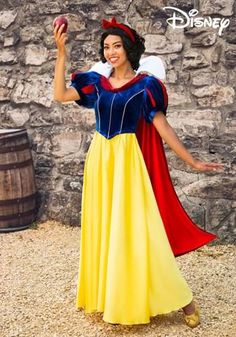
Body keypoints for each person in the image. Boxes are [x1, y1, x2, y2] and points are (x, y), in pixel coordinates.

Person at [53, 17, 224, 327]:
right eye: (106, 47)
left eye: (116, 46)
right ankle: (115, 297)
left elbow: (162, 127)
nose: (111, 52)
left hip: (128, 162)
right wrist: (61, 52)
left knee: (141, 231)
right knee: (106, 229)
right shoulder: (97, 83)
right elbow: (61, 95)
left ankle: (184, 300)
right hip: (100, 159)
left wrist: (192, 162)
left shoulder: (146, 87)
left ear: (129, 48)